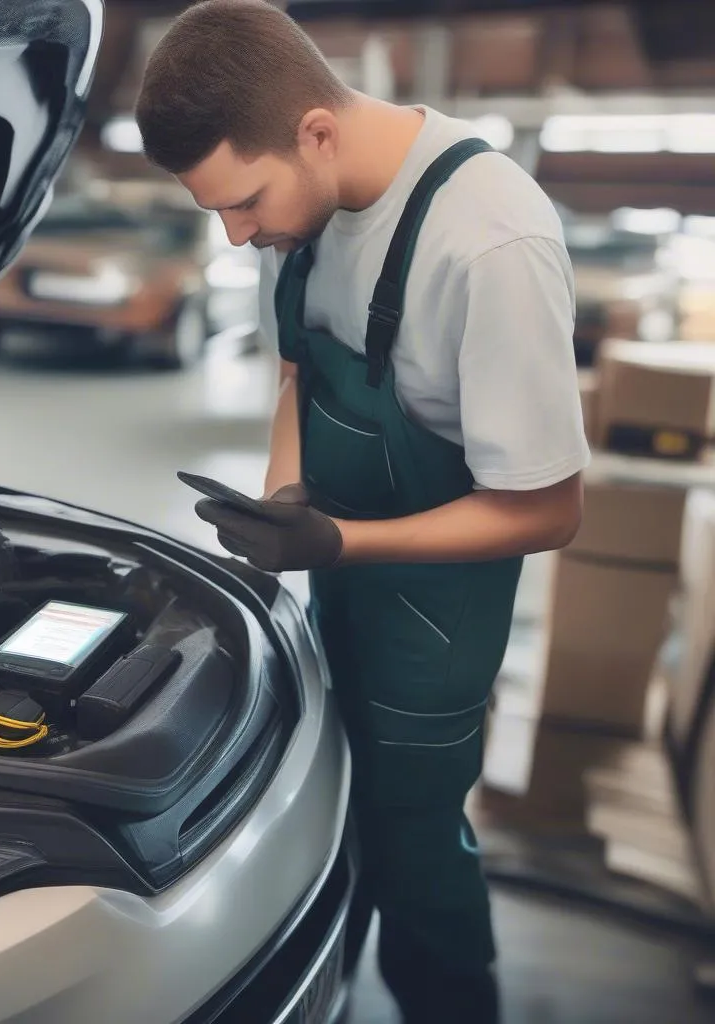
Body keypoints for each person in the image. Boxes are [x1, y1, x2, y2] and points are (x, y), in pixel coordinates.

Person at [135, 2, 588, 1020]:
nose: (236, 233)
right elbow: (303, 368)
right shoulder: (306, 213)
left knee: (414, 850)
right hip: (338, 578)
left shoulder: (487, 242)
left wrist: (340, 540)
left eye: (243, 202)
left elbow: (550, 508)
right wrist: (287, 494)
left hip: (435, 621)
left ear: (317, 131)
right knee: (327, 820)